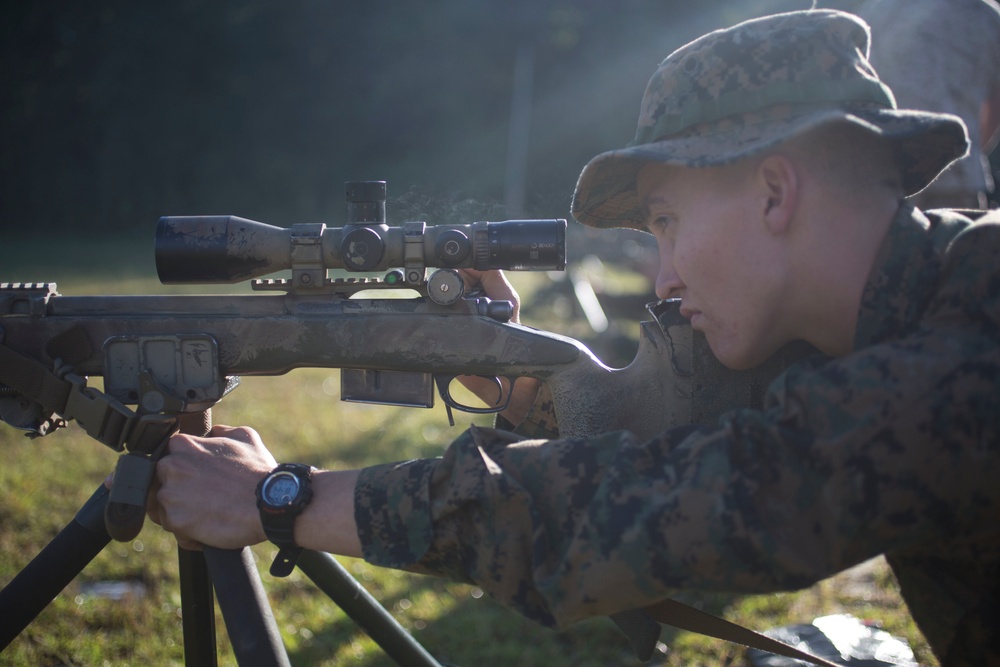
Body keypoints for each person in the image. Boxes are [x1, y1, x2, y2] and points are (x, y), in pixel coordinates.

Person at [140, 10, 1000, 665]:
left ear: (775, 192)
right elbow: (677, 425)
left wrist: (282, 499)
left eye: (664, 222)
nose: (663, 277)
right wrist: (511, 380)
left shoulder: (976, 330)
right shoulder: (904, 308)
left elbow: (675, 502)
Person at [858, 0, 1000, 209]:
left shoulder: (882, 8)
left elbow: (861, 84)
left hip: (892, 171)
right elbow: (995, 104)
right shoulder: (988, 17)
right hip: (958, 174)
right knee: (961, 241)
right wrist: (966, 152)